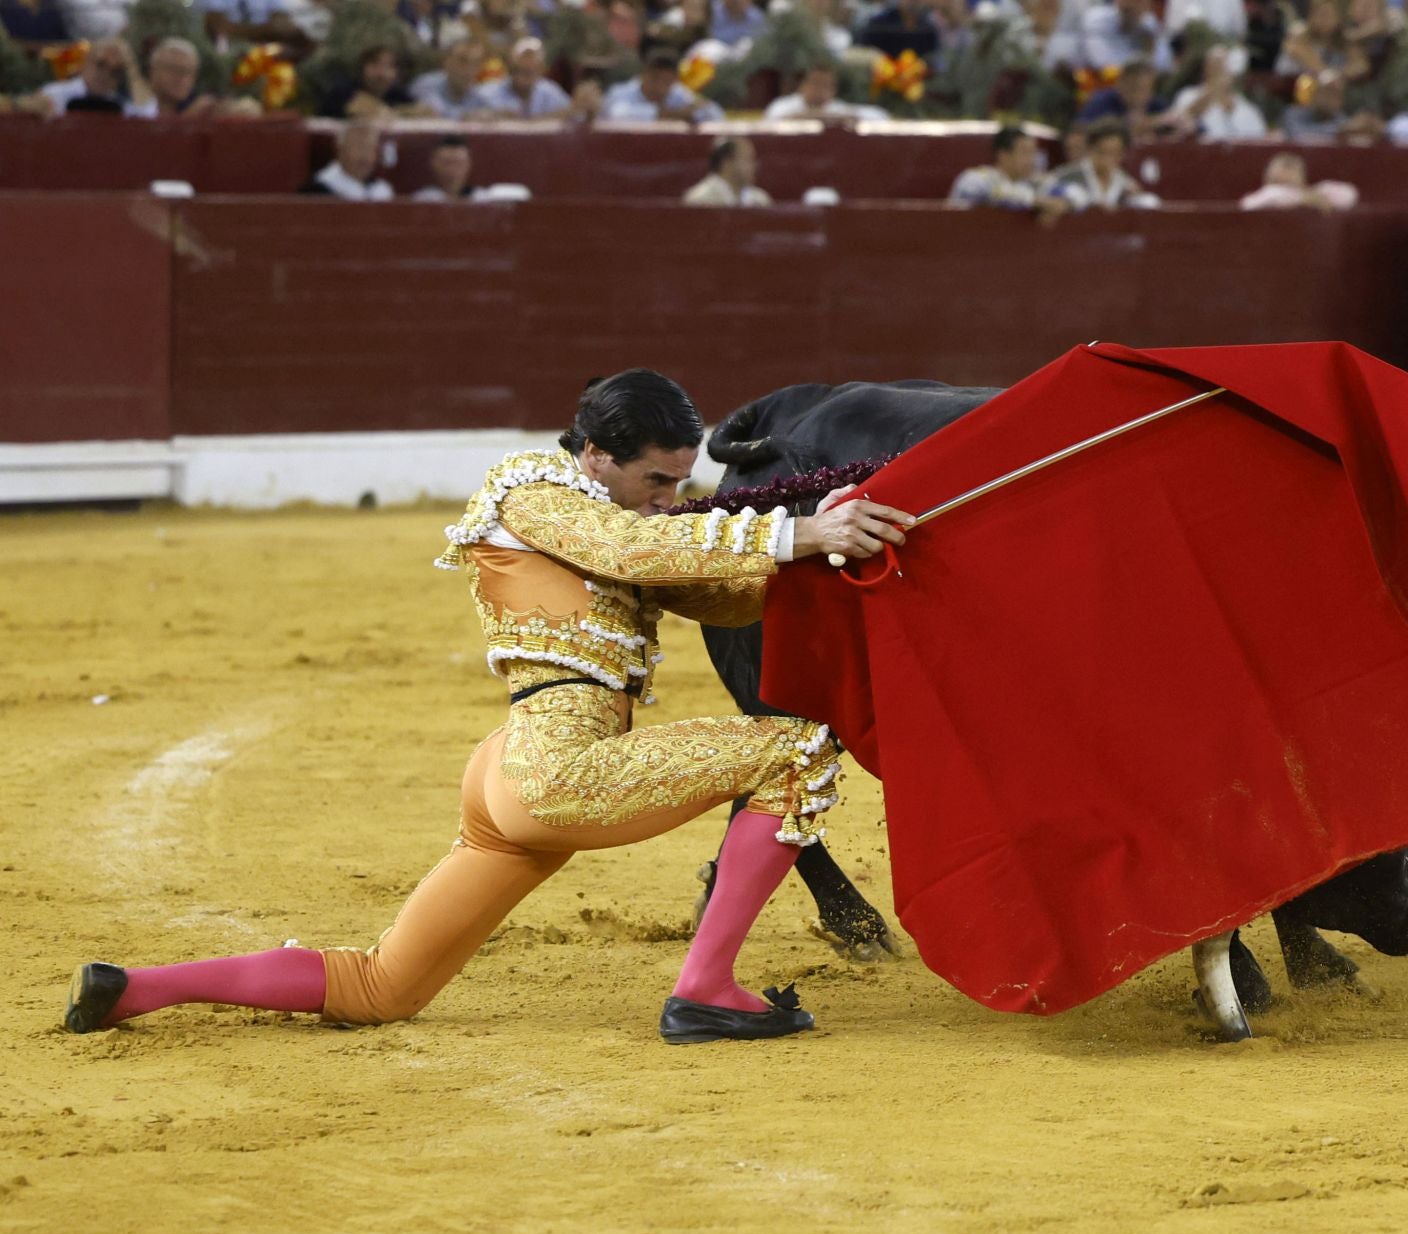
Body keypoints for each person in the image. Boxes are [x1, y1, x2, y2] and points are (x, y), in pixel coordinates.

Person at [63, 371, 917, 1045]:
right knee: (797, 749)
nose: (670, 496)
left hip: (517, 774)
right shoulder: (530, 492)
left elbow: (716, 594)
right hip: (556, 767)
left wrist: (821, 549)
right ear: (595, 455)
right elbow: (631, 547)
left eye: (679, 481)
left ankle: (135, 988)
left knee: (382, 987)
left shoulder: (619, 516)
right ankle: (706, 990)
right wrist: (795, 533)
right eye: (656, 479)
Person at [948, 124, 1068, 212]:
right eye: (1025, 153)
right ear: (1003, 155)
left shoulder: (1032, 183)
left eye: (1033, 153)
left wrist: (1065, 204)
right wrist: (1033, 201)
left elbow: (1073, 193)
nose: (1031, 161)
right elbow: (989, 194)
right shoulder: (975, 179)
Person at [1043, 119, 1160, 209]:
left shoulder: (1125, 183)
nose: (1107, 159)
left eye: (1114, 153)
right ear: (1089, 149)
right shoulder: (1067, 176)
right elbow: (1043, 192)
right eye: (1102, 152)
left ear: (1123, 154)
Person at [1166, 45, 1269, 140]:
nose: (1219, 69)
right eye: (1214, 64)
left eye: (1223, 65)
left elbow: (1259, 139)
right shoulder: (1188, 95)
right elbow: (1180, 121)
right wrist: (1215, 88)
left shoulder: (1246, 108)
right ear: (1205, 68)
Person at [602, 48, 723, 122]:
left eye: (666, 82)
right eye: (654, 79)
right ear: (644, 74)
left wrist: (694, 113)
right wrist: (671, 115)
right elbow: (617, 115)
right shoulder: (620, 92)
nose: (659, 87)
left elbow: (715, 114)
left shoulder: (677, 93)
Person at [471, 38, 578, 120]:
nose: (521, 78)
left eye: (528, 72)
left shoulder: (551, 93)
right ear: (509, 66)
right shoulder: (485, 94)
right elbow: (465, 116)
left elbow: (575, 117)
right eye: (517, 70)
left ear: (541, 70)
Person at [762, 61, 886, 122]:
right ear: (802, 85)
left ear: (834, 90)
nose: (819, 89)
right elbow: (773, 119)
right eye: (815, 83)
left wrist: (838, 117)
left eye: (825, 85)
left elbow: (879, 115)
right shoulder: (783, 105)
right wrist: (823, 117)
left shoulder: (838, 108)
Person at [302, 119, 396, 200]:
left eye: (370, 148)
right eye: (358, 147)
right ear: (340, 151)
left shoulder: (381, 191)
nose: (364, 156)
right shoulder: (317, 192)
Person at [319, 43, 416, 119]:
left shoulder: (397, 94)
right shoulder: (343, 91)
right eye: (375, 65)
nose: (381, 73)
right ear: (362, 68)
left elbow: (419, 110)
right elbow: (358, 107)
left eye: (388, 67)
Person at [1238, 152, 1359, 210]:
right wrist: (1303, 199)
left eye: (1290, 168)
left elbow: (1350, 195)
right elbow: (1247, 206)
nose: (1286, 174)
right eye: (1282, 168)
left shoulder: (1317, 191)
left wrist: (1313, 196)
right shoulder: (1268, 193)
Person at [412, 37, 489, 119]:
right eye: (462, 61)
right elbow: (434, 111)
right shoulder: (425, 85)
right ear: (446, 61)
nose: (469, 70)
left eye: (476, 63)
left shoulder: (479, 96)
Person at [682, 136, 772, 205]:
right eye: (747, 160)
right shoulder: (700, 200)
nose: (754, 166)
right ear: (727, 163)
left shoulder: (760, 199)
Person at [413, 134, 481, 200]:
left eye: (458, 163)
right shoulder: (422, 199)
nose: (452, 169)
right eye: (446, 163)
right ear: (433, 163)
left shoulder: (482, 198)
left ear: (469, 164)